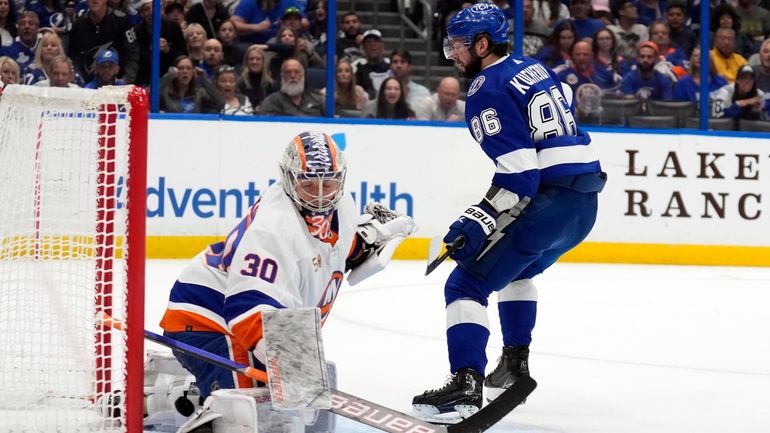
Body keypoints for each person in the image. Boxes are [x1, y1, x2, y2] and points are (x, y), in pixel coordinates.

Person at [411, 3, 605, 422]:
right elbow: (565, 102)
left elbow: (520, 176)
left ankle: (465, 385)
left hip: (549, 205)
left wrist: (473, 222)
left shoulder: (486, 89)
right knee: (519, 271)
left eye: (460, 45)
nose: (453, 54)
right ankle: (514, 365)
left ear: (483, 44)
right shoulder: (530, 66)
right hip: (584, 207)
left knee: (465, 285)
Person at [159, 130, 416, 402]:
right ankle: (178, 397)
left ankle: (172, 396)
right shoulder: (274, 230)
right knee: (250, 410)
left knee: (283, 403)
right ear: (289, 179)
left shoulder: (343, 204)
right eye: (308, 185)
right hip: (207, 320)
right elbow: (248, 309)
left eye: (327, 184)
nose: (319, 196)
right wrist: (298, 375)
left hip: (238, 318)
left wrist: (364, 244)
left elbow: (335, 244)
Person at [67, 0, 139, 83]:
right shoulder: (78, 25)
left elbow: (132, 53)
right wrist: (79, 80)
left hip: (118, 84)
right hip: (87, 86)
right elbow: (73, 57)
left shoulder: (121, 20)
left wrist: (126, 80)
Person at [258, 58, 324, 116]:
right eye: (288, 72)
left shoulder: (318, 99)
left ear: (302, 75)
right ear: (282, 76)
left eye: (296, 72)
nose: (292, 76)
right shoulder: (271, 102)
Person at [159, 55, 224, 113]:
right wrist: (168, 77)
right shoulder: (166, 92)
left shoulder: (198, 92)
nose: (185, 71)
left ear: (193, 72)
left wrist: (204, 79)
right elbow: (149, 94)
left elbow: (220, 103)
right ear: (175, 71)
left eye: (188, 68)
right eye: (181, 68)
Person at [237, 44, 278, 109]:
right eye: (251, 59)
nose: (254, 62)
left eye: (258, 59)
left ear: (263, 62)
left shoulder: (272, 85)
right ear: (246, 62)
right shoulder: (240, 84)